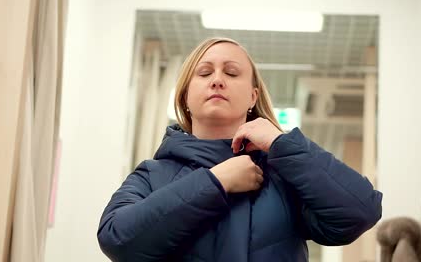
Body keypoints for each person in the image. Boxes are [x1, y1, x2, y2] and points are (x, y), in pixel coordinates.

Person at [97, 37, 383, 262]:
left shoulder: (283, 174)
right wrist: (215, 182)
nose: (217, 79)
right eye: (205, 72)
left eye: (232, 73)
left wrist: (282, 144)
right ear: (185, 96)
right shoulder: (151, 175)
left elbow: (360, 211)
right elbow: (117, 241)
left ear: (252, 96)